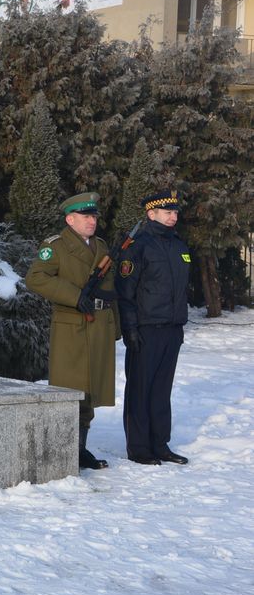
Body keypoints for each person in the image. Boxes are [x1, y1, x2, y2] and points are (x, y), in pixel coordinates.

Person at [25, 192, 119, 471]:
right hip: (71, 326)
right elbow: (35, 278)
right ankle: (67, 449)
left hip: (99, 324)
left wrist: (117, 326)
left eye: (94, 217)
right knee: (71, 389)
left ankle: (81, 450)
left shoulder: (101, 247)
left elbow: (111, 290)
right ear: (70, 219)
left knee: (91, 390)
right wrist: (74, 295)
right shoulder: (55, 247)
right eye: (86, 217)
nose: (92, 221)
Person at [115, 189, 191, 466]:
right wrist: (130, 329)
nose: (173, 216)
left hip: (172, 328)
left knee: (161, 389)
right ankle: (139, 448)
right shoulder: (137, 246)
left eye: (175, 212)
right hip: (145, 330)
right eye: (167, 212)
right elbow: (125, 292)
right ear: (151, 214)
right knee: (140, 388)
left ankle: (160, 444)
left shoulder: (179, 245)